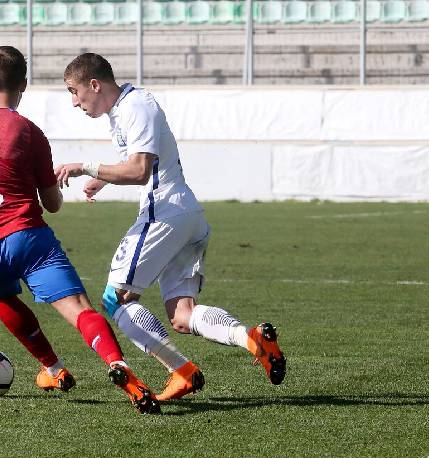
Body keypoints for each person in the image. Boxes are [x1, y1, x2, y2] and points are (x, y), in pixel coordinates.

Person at [0, 46, 160, 414]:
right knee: (79, 308)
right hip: (27, 239)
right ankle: (117, 364)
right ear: (23, 84)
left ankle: (53, 369)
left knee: (3, 297)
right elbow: (52, 204)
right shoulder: (29, 132)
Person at [55, 53, 287, 401]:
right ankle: (252, 338)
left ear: (94, 84)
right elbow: (138, 161)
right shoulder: (124, 111)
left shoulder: (136, 106)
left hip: (163, 212)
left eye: (74, 92)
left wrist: (85, 167)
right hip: (185, 214)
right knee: (182, 315)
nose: (74, 102)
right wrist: (104, 181)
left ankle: (182, 371)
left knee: (114, 299)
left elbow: (139, 171)